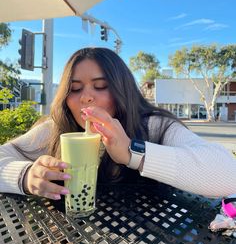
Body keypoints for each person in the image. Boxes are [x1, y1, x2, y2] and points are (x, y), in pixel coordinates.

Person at [0, 47, 235, 200]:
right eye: (75, 89)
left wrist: (133, 152)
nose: (86, 97)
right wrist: (26, 175)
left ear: (122, 90)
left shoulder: (154, 125)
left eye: (101, 86)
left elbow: (228, 175)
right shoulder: (56, 129)